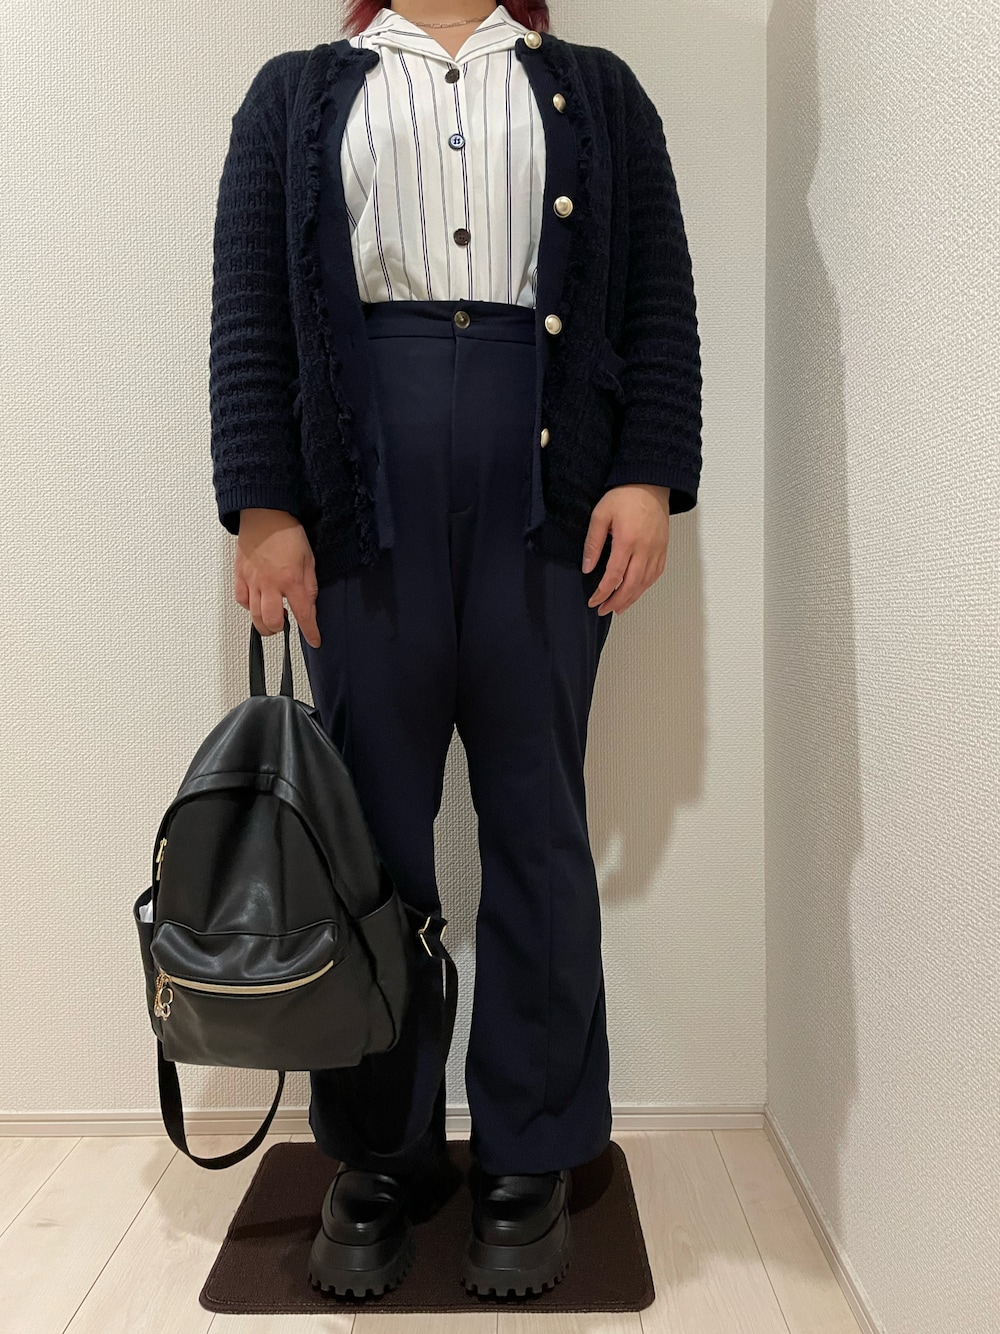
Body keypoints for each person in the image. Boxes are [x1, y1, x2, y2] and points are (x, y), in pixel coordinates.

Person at [209, 0, 702, 1300]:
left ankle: (531, 1151)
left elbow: (656, 295)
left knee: (539, 820)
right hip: (360, 506)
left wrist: (648, 470)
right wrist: (264, 505)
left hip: (547, 497)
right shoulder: (295, 95)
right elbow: (251, 306)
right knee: (368, 834)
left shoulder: (598, 91)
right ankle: (379, 1153)